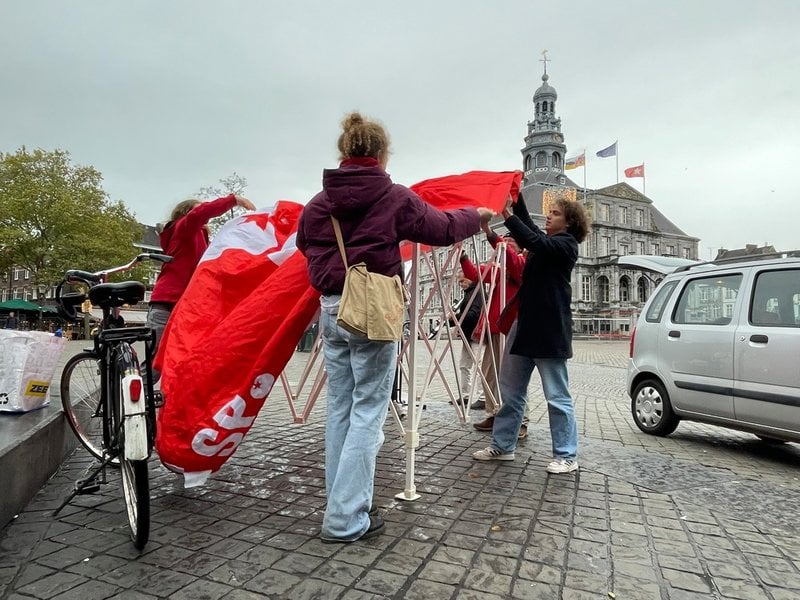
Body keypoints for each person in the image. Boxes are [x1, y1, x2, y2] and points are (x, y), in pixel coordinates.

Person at [297, 111, 494, 544]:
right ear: (381, 155)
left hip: (332, 308)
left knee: (340, 409)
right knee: (369, 411)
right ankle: (346, 518)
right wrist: (476, 216)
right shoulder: (393, 197)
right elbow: (441, 228)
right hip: (375, 310)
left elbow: (304, 246)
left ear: (344, 153)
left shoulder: (316, 205)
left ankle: (340, 503)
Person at [472, 194, 590, 473]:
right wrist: (517, 197)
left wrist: (505, 213)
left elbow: (534, 239)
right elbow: (530, 231)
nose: (548, 216)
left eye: (556, 213)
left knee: (556, 396)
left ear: (569, 222)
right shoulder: (546, 243)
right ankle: (503, 446)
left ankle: (566, 454)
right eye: (549, 212)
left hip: (549, 331)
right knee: (511, 392)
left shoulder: (565, 245)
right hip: (524, 326)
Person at [144, 193, 256, 384]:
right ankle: (127, 403)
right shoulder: (182, 230)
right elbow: (199, 215)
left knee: (186, 362)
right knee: (155, 366)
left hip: (188, 307)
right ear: (186, 214)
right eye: (198, 209)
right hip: (168, 303)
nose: (204, 212)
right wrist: (233, 200)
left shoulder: (203, 241)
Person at [460, 221, 525, 433]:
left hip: (513, 327)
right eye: (503, 242)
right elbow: (474, 273)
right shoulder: (498, 268)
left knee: (514, 376)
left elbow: (513, 263)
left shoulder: (522, 263)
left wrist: (493, 236)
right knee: (489, 374)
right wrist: (463, 257)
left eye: (509, 243)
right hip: (495, 328)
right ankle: (493, 413)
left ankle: (521, 420)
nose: (504, 246)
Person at [448, 274, 483, 407]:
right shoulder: (469, 293)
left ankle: (483, 397)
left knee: (479, 366)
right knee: (464, 365)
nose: (460, 284)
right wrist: (453, 320)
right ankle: (465, 396)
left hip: (476, 335)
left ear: (470, 278)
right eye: (459, 281)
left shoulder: (477, 294)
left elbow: (474, 314)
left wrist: (455, 317)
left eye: (462, 280)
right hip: (468, 336)